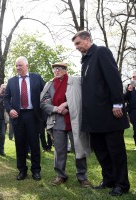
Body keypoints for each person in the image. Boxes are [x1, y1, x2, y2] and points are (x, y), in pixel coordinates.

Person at [72, 30, 130, 196]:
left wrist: (118, 103)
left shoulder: (101, 52)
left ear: (88, 39)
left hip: (109, 115)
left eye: (78, 43)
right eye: (75, 45)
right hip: (93, 118)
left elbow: (113, 78)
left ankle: (122, 184)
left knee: (115, 151)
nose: (76, 47)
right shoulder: (85, 60)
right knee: (101, 151)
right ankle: (109, 179)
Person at [40, 62, 91, 188]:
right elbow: (43, 102)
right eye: (54, 69)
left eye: (59, 69)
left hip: (75, 121)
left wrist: (66, 104)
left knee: (78, 148)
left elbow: (81, 96)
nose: (56, 71)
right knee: (59, 150)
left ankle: (82, 176)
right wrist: (57, 108)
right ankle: (61, 175)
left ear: (65, 70)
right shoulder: (49, 84)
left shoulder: (75, 81)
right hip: (57, 121)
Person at [4, 56, 45, 181]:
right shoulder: (11, 81)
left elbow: (45, 94)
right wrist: (10, 109)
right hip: (18, 116)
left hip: (33, 115)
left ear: (27, 66)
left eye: (20, 65)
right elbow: (6, 99)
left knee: (34, 144)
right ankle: (22, 170)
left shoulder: (37, 78)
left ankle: (36, 170)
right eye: (16, 65)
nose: (18, 68)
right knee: (20, 144)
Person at [124, 71, 136, 150]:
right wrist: (129, 91)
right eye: (133, 77)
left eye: (135, 76)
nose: (134, 78)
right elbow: (124, 98)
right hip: (133, 112)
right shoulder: (130, 86)